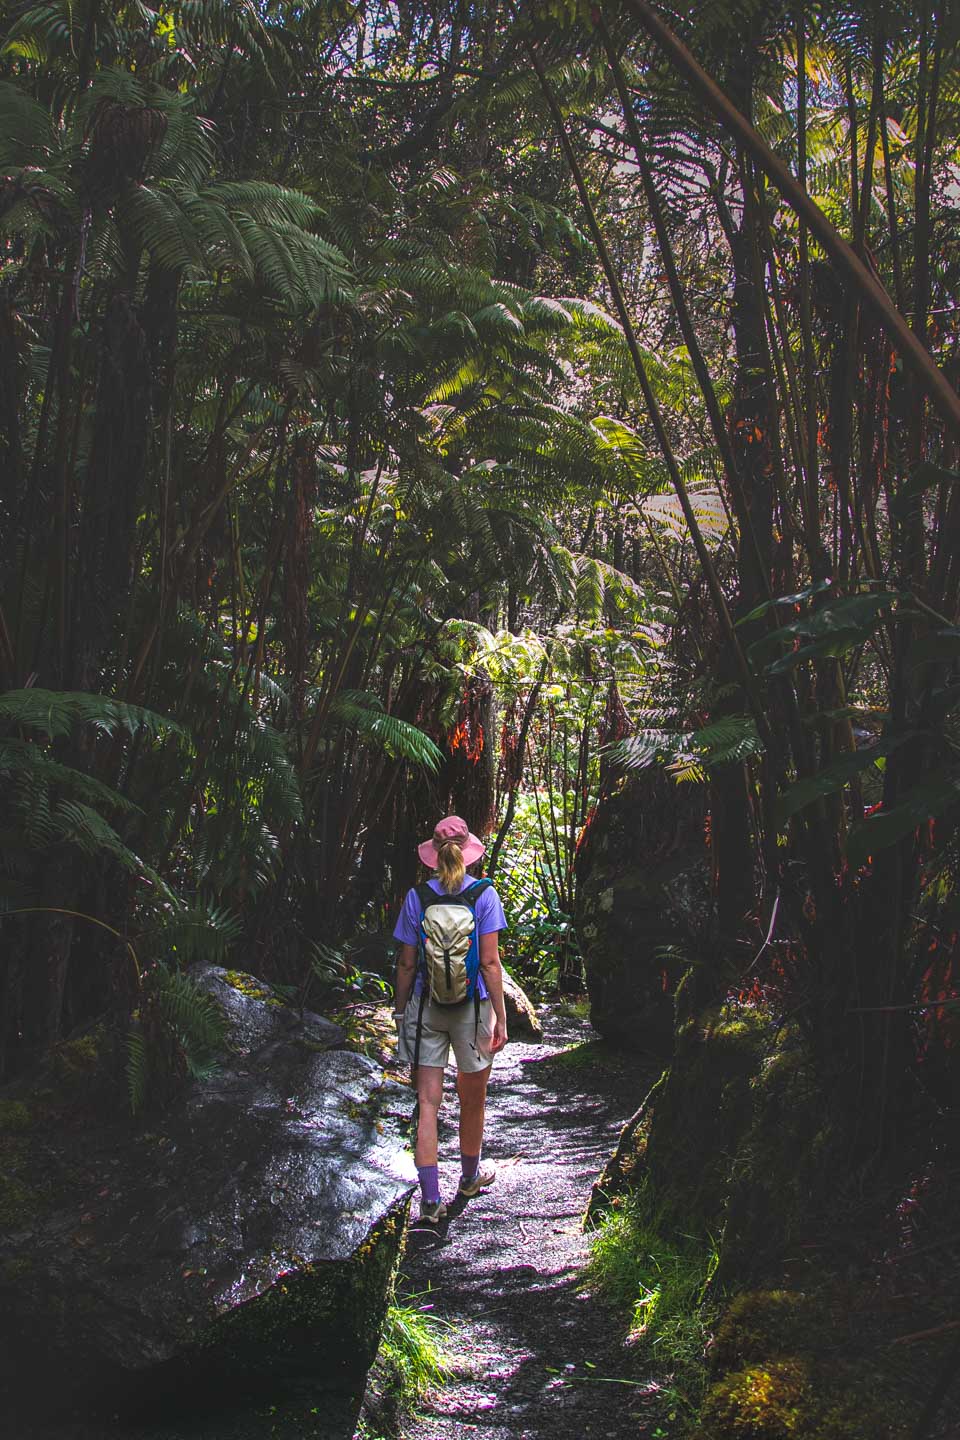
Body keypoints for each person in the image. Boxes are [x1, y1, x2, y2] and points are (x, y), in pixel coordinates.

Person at [392, 814, 508, 1224]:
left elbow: (407, 965)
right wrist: (502, 1018)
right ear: (469, 852)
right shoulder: (483, 895)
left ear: (434, 857)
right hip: (473, 1008)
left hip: (427, 1007)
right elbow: (491, 963)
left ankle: (430, 1200)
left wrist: (402, 1010)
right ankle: (471, 1178)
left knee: (427, 1103)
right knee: (472, 1098)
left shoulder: (417, 897)